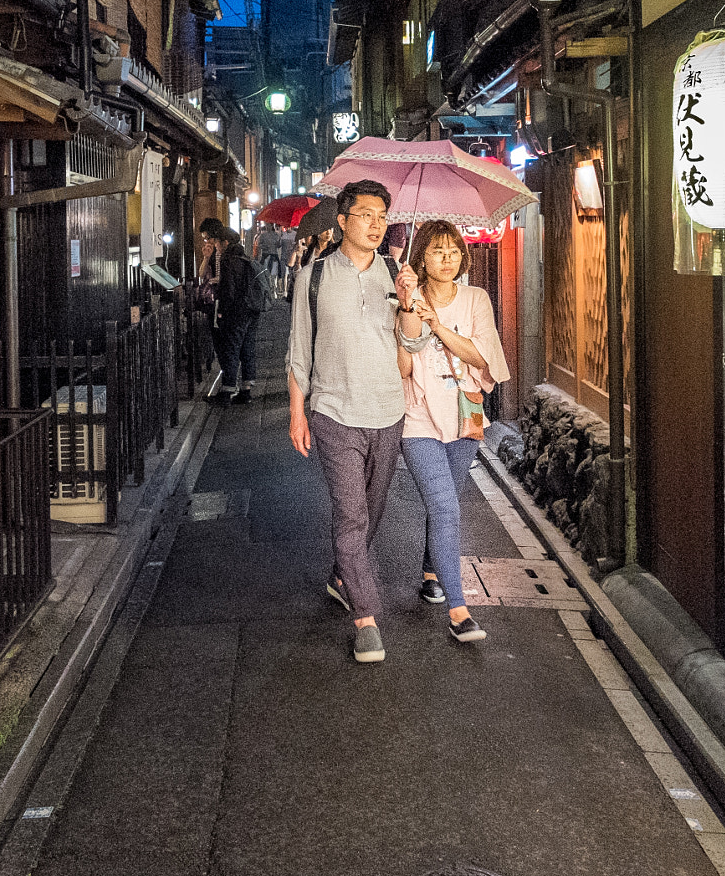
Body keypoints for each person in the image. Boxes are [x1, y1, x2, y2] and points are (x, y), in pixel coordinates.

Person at [286, 179, 433, 665]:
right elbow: (298, 351)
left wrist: (409, 301)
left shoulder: (397, 273)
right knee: (351, 514)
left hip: (388, 411)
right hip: (334, 411)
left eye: (382, 216)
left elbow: (412, 344)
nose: (375, 223)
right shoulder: (315, 276)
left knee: (370, 511)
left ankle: (340, 576)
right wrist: (296, 411)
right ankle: (367, 619)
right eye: (365, 214)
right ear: (342, 221)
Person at [396, 220, 510, 644]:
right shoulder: (407, 296)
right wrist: (410, 310)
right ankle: (459, 610)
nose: (448, 260)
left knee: (447, 500)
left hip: (466, 412)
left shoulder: (476, 299)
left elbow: (482, 356)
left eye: (454, 251)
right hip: (420, 416)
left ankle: (431, 573)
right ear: (420, 258)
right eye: (437, 252)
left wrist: (439, 325)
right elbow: (405, 364)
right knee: (445, 507)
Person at [203, 219, 261, 404]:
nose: (216, 247)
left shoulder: (229, 260)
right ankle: (246, 391)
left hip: (236, 312)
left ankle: (227, 392)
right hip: (252, 310)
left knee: (231, 350)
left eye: (218, 243)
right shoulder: (244, 257)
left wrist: (222, 313)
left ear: (225, 243)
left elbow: (228, 291)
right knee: (247, 349)